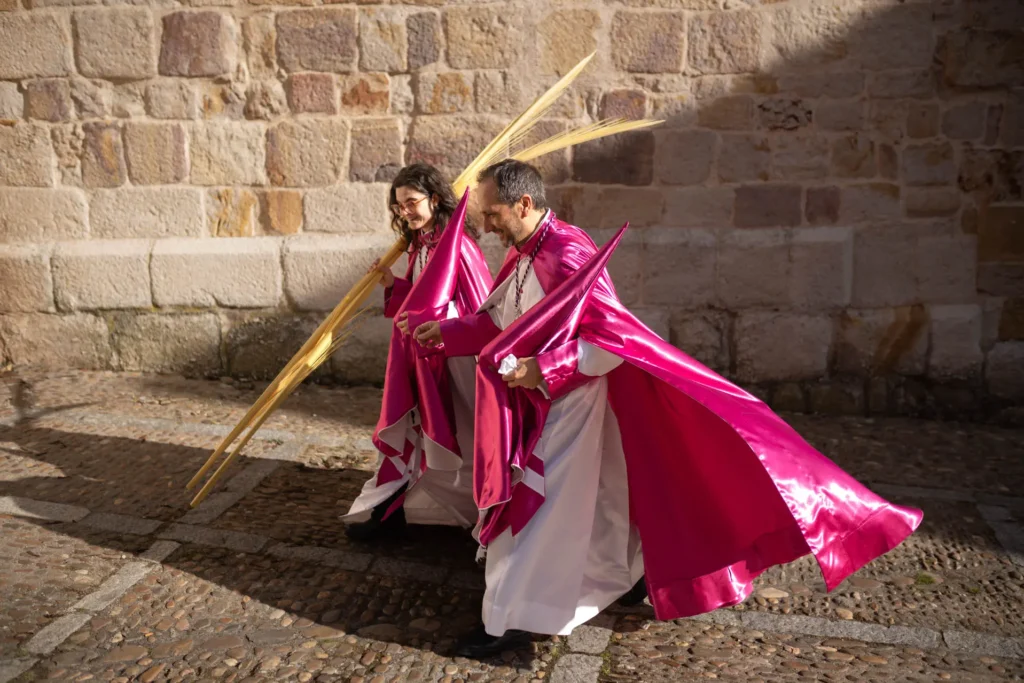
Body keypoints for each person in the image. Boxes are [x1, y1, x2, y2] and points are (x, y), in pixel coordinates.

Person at [414, 159, 923, 658]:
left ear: (524, 203)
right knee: (596, 507)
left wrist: (543, 371)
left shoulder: (567, 253)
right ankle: (624, 577)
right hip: (535, 409)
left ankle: (513, 621)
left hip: (570, 408)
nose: (486, 226)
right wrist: (451, 332)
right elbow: (506, 324)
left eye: (493, 213)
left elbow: (609, 342)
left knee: (536, 513)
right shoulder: (524, 251)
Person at [341, 164, 492, 542]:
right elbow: (423, 296)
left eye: (411, 203)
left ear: (435, 199)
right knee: (426, 430)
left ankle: (482, 509)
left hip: (456, 362)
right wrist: (396, 284)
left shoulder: (459, 247)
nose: (403, 211)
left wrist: (435, 322)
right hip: (426, 358)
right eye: (398, 206)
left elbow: (477, 309)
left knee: (464, 431)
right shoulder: (423, 243)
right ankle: (414, 504)